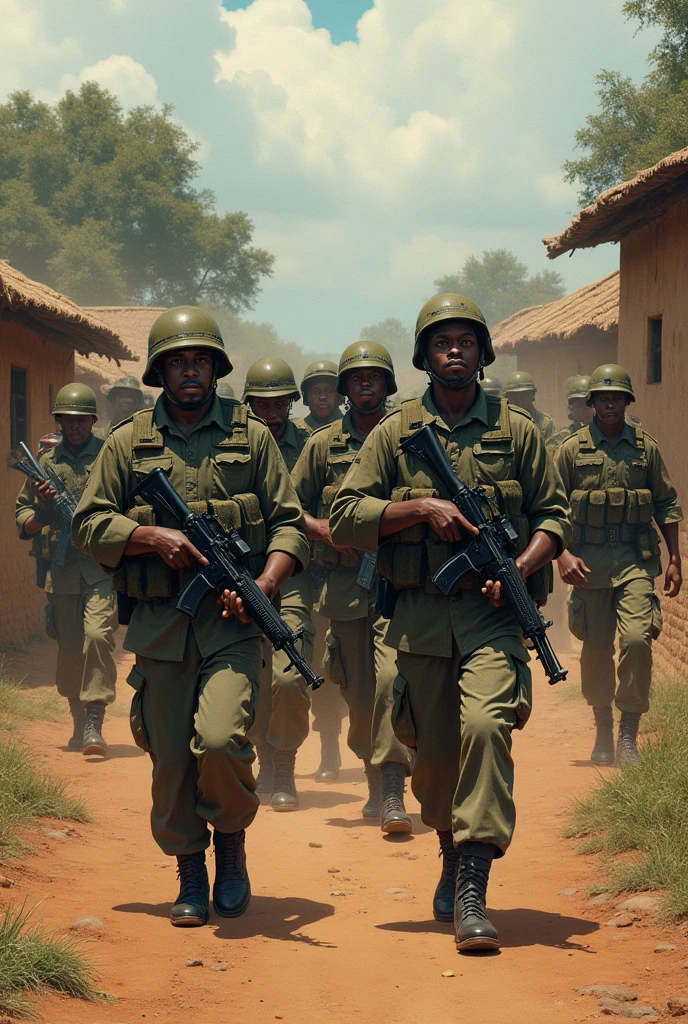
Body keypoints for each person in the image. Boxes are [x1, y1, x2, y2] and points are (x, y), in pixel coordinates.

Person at [330, 294, 570, 951]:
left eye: (466, 340)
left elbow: (554, 515)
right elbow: (347, 514)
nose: (455, 350)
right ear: (426, 356)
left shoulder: (517, 430)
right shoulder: (395, 432)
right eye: (442, 342)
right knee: (432, 763)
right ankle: (447, 844)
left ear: (483, 353)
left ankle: (473, 884)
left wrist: (519, 568)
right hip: (418, 619)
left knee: (489, 727)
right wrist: (419, 507)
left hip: (492, 616)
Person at [72, 307, 309, 927]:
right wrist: (149, 537)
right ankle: (189, 870)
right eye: (177, 361)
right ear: (159, 370)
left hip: (232, 625)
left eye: (200, 360)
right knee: (171, 757)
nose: (190, 371)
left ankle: (230, 846)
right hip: (160, 627)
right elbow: (88, 524)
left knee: (225, 740)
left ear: (216, 367)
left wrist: (263, 582)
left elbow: (288, 523)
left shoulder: (252, 436)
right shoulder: (128, 441)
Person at [292, 341, 414, 834]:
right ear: (344, 388)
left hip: (400, 581)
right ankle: (373, 777)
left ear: (387, 384)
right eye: (357, 377)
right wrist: (323, 530)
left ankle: (392, 788)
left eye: (375, 376)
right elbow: (289, 506)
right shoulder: (322, 445)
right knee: (360, 695)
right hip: (344, 587)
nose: (366, 383)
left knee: (392, 684)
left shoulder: (411, 435)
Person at [555, 364, 682, 766]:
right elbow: (551, 509)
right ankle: (603, 730)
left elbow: (665, 502)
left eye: (617, 397)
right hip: (588, 563)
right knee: (594, 650)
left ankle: (629, 733)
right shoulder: (571, 451)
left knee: (637, 639)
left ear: (627, 402)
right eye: (602, 398)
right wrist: (562, 553)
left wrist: (675, 557)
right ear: (590, 404)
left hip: (635, 560)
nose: (609, 404)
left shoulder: (646, 448)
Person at [15, 384, 117, 757]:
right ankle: (78, 720)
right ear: (58, 421)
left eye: (82, 420)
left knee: (98, 636)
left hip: (99, 566)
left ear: (92, 420)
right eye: (68, 420)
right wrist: (45, 511)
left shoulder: (108, 456)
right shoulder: (44, 464)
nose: (75, 426)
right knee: (70, 648)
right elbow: (22, 516)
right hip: (61, 568)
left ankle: (94, 722)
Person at [241, 357, 318, 809]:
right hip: (234, 577)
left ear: (291, 401)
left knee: (289, 677)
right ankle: (261, 753)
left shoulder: (309, 445)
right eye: (262, 403)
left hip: (289, 577)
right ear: (249, 404)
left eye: (279, 402)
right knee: (248, 673)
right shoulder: (229, 444)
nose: (271, 411)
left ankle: (284, 762)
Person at [503, 370, 556, 442]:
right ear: (506, 397)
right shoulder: (501, 422)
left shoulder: (544, 423)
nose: (519, 399)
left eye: (524, 395)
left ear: (532, 394)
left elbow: (550, 450)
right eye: (515, 395)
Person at [547, 376, 593, 450]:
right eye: (578, 405)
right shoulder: (559, 441)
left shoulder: (608, 437)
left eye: (587, 404)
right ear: (571, 408)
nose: (582, 410)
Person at [298, 360, 342, 430]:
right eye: (315, 392)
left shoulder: (354, 429)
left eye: (329, 391)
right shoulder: (296, 432)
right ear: (306, 397)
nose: (322, 397)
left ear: (340, 395)